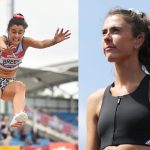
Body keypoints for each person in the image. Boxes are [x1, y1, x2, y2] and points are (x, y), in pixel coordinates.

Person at [86, 8, 150, 150]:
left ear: (138, 40)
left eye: (115, 31)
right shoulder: (95, 99)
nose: (107, 37)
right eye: (104, 32)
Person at [0, 13, 71, 128]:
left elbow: (41, 43)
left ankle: (17, 117)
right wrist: (4, 51)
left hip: (8, 83)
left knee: (21, 86)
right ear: (8, 31)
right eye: (13, 32)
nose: (17, 36)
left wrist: (54, 41)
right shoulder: (3, 40)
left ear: (23, 33)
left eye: (20, 32)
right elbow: (1, 44)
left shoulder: (25, 42)